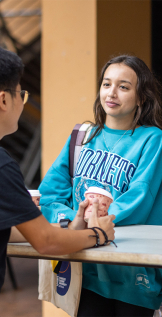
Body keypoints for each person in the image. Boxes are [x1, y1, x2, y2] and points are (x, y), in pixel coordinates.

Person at [39, 55, 162, 317]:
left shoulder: (151, 139)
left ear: (141, 97)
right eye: (106, 84)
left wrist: (91, 223)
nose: (112, 93)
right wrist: (71, 223)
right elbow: (49, 195)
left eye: (124, 87)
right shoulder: (82, 136)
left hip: (132, 269)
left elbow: (140, 198)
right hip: (86, 265)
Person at [0, 47, 115, 290]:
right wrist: (98, 234)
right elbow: (45, 242)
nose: (22, 101)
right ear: (3, 100)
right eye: (22, 93)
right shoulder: (3, 166)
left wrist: (68, 228)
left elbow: (9, 230)